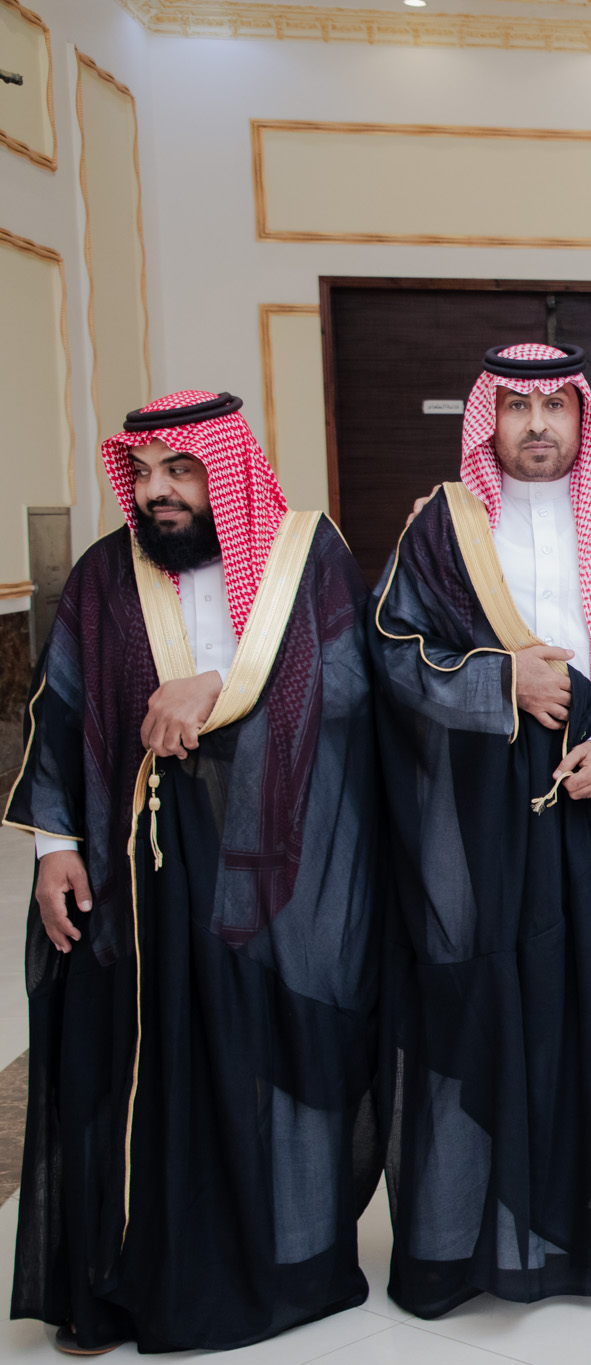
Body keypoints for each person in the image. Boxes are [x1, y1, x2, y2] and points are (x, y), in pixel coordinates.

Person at [6, 392, 379, 1354]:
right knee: (134, 1062)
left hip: (272, 867)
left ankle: (271, 1264)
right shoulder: (104, 574)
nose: (158, 491)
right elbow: (60, 708)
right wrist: (54, 847)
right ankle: (119, 1281)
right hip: (135, 871)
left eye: (182, 470)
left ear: (230, 469)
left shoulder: (304, 557)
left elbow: (348, 684)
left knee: (255, 1053)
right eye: (143, 473)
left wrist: (217, 684)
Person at [372, 343, 591, 1318]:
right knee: (484, 1003)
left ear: (583, 418)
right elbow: (391, 649)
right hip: (476, 803)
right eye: (515, 406)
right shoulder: (442, 524)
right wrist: (499, 681)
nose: (536, 425)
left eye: (554, 406)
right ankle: (472, 1239)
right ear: (488, 420)